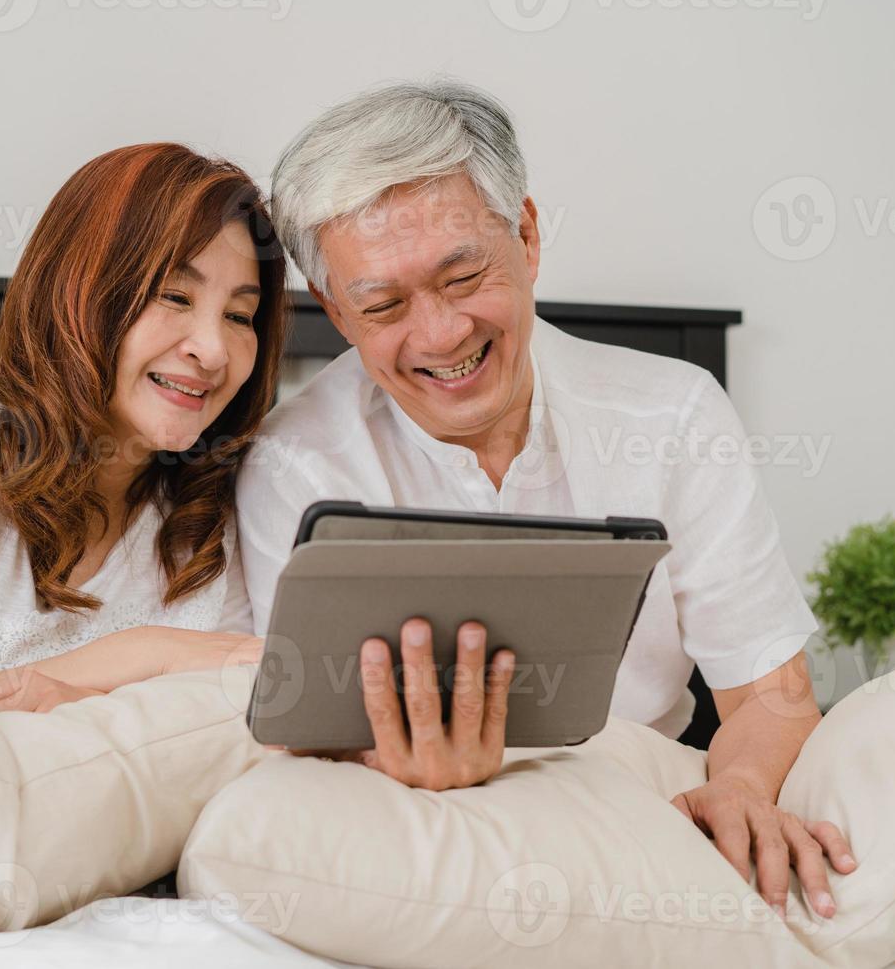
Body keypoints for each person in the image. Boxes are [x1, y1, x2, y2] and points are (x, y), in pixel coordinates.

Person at [237, 79, 855, 919]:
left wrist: (741, 787)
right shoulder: (290, 465)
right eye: (383, 304)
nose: (442, 334)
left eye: (464, 276)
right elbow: (291, 740)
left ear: (527, 237)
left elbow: (770, 695)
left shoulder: (674, 414)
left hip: (636, 804)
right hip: (399, 826)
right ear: (337, 313)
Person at [0, 142, 286, 717]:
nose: (212, 351)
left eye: (239, 317)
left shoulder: (229, 506)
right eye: (173, 296)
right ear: (78, 294)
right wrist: (145, 653)